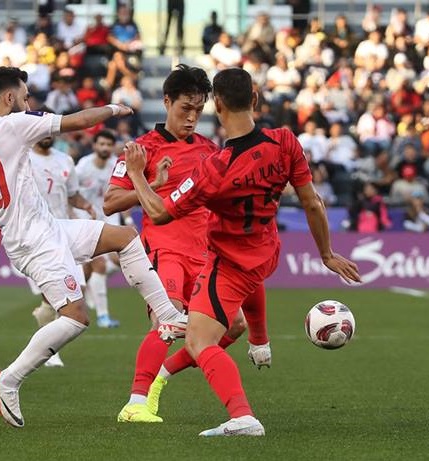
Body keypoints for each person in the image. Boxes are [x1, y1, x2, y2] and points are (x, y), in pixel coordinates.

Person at [0, 67, 187, 427]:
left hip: (46, 229)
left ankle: (169, 317)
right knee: (76, 318)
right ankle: (9, 379)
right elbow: (76, 121)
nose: (26, 101)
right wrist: (115, 109)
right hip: (34, 240)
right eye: (23, 95)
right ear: (9, 98)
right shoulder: (14, 124)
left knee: (125, 238)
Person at [124, 67, 361, 436]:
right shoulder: (285, 141)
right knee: (230, 324)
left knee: (199, 340)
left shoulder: (213, 168)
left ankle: (242, 416)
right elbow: (312, 202)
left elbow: (158, 212)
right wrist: (327, 254)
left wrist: (138, 174)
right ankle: (251, 346)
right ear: (254, 99)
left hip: (228, 261)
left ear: (216, 105)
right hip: (266, 250)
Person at [104, 65, 268, 423]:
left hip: (206, 254)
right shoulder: (141, 149)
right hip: (165, 249)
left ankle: (163, 376)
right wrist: (148, 184)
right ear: (166, 102)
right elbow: (110, 201)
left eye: (198, 110)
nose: (192, 117)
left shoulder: (210, 149)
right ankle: (135, 402)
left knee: (236, 325)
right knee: (166, 322)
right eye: (185, 109)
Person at [25, 113, 96, 368]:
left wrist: (86, 205)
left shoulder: (65, 160)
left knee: (71, 292)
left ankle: (46, 327)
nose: (46, 134)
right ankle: (50, 351)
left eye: (49, 129)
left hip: (63, 232)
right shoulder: (23, 159)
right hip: (34, 235)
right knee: (58, 295)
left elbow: (72, 195)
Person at [74, 130, 121, 328]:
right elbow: (71, 192)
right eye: (101, 144)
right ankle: (103, 316)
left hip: (108, 218)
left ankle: (92, 288)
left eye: (108, 144)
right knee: (99, 263)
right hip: (85, 219)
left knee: (120, 260)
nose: (104, 148)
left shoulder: (116, 166)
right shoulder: (83, 166)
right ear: (94, 145)